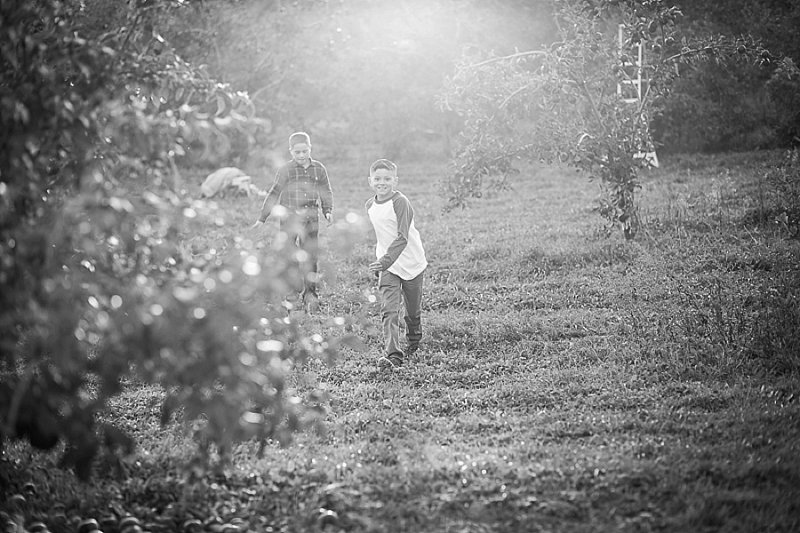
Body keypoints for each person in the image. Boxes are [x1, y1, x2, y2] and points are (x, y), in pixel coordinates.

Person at [252, 132, 333, 312]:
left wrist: (327, 211)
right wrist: (262, 218)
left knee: (311, 255)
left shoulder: (319, 169)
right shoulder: (285, 170)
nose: (302, 155)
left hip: (311, 218)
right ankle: (292, 290)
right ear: (291, 151)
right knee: (289, 253)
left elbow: (325, 191)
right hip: (289, 218)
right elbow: (274, 192)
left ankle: (310, 294)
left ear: (310, 148)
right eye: (297, 152)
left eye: (305, 151)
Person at [365, 159, 428, 369]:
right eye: (377, 178)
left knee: (412, 311)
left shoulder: (401, 202)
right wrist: (381, 262)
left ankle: (414, 338)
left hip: (410, 262)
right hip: (388, 267)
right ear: (370, 181)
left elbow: (402, 237)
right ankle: (393, 355)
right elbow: (382, 236)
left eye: (387, 178)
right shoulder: (370, 205)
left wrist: (384, 260)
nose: (382, 182)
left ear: (395, 181)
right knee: (389, 311)